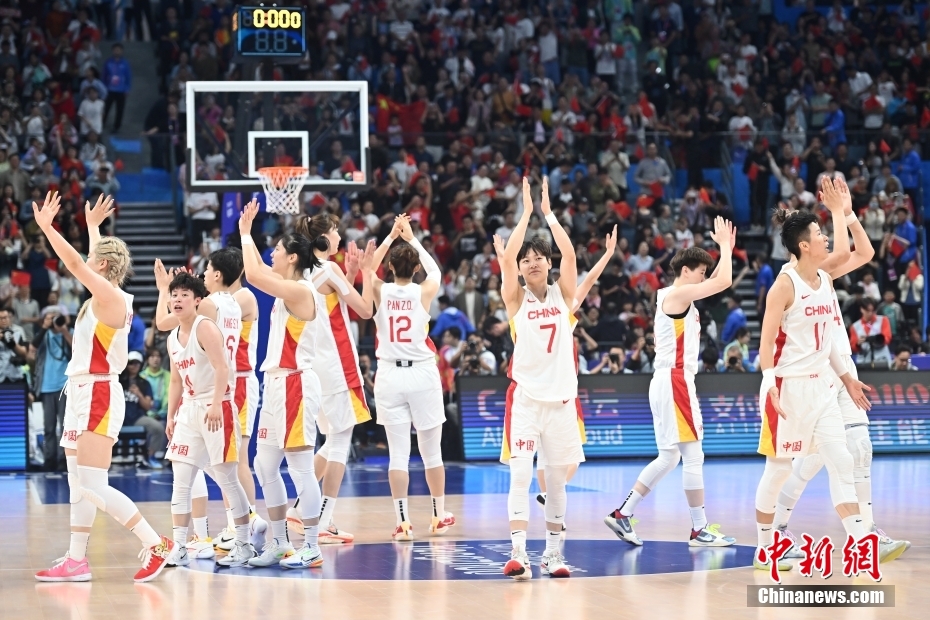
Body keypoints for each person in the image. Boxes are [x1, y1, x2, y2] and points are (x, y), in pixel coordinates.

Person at [752, 182, 906, 575]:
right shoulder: (784, 286)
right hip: (787, 389)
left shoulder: (823, 277)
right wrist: (768, 383)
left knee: (842, 459)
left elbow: (829, 344)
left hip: (823, 384)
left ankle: (862, 543)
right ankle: (765, 545)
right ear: (804, 245)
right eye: (818, 234)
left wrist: (846, 376)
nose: (823, 239)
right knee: (780, 471)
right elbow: (766, 344)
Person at [33, 192, 176, 583]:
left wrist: (49, 227)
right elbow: (94, 259)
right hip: (80, 391)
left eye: (97, 257)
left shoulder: (111, 296)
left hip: (97, 392)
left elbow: (78, 262)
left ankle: (155, 542)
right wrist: (94, 226)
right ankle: (77, 560)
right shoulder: (107, 291)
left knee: (94, 484)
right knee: (78, 484)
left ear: (105, 266)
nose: (88, 261)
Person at [605, 217, 737, 548]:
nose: (705, 277)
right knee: (693, 456)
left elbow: (719, 280)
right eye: (702, 271)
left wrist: (725, 249)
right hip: (676, 379)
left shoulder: (677, 297)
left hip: (665, 380)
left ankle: (623, 514)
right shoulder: (677, 295)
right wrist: (726, 247)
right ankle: (699, 528)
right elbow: (725, 281)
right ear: (688, 270)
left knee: (670, 457)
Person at [154, 248, 268, 556]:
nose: (177, 300)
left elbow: (164, 322)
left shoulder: (210, 312)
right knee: (183, 475)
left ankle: (243, 535)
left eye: (184, 294)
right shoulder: (230, 302)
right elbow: (175, 375)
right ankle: (182, 544)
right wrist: (171, 414)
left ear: (198, 297)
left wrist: (166, 288)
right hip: (194, 403)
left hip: (221, 395)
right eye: (174, 295)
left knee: (228, 473)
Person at [496, 177, 580, 580]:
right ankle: (517, 554)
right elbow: (508, 256)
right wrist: (526, 213)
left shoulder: (565, 294)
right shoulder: (515, 298)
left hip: (562, 401)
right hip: (527, 400)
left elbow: (569, 251)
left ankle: (553, 555)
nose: (531, 262)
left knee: (557, 483)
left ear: (548, 264)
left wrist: (548, 214)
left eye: (538, 258)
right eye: (526, 259)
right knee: (520, 475)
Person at [238, 198, 326, 569]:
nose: (271, 253)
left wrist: (245, 233)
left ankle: (313, 545)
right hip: (276, 385)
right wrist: (248, 240)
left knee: (300, 468)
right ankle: (278, 541)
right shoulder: (286, 287)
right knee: (264, 466)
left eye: (276, 249)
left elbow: (254, 275)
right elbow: (254, 270)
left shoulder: (303, 290)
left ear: (292, 257)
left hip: (295, 385)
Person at [282, 215, 376, 546]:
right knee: (339, 442)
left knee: (330, 439)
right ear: (323, 237)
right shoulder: (329, 270)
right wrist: (367, 272)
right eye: (335, 231)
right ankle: (318, 517)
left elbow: (332, 302)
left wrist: (348, 273)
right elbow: (365, 310)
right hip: (336, 365)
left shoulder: (302, 273)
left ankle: (307, 510)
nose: (339, 236)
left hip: (311, 365)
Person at [369, 214, 455, 542]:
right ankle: (437, 514)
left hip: (389, 374)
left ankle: (402, 522)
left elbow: (366, 269)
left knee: (398, 454)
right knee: (432, 453)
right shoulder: (424, 291)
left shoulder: (379, 290)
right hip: (421, 373)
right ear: (415, 268)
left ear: (390, 268)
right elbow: (437, 271)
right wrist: (413, 237)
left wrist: (391, 236)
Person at [120, 350, 165, 468]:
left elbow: (148, 406)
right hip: (117, 418)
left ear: (140, 365)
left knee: (158, 428)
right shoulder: (118, 381)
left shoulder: (145, 383)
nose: (134, 366)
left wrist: (139, 394)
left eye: (137, 363)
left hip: (137, 417)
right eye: (131, 363)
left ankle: (150, 457)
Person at [0, 307, 27, 383]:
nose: (3, 320)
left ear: (9, 318)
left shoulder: (17, 334)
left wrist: (13, 344)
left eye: (5, 318)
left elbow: (24, 353)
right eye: (0, 318)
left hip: (15, 376)